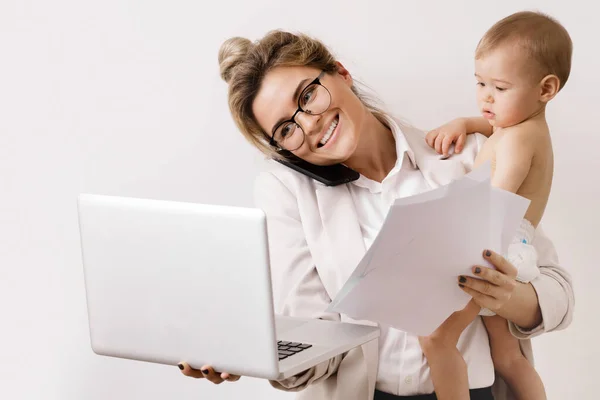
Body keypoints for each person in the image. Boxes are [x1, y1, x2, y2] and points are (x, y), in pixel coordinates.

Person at [178, 28, 574, 400]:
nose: (309, 123)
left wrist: (507, 296)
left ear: (340, 73)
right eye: (285, 129)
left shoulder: (465, 153)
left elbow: (559, 295)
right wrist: (249, 351)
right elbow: (314, 342)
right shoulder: (288, 193)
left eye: (307, 96)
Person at [420, 11, 573, 400]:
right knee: (508, 357)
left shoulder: (520, 140)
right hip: (513, 251)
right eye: (480, 82)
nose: (486, 96)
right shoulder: (521, 125)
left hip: (494, 245)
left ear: (546, 89)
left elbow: (490, 202)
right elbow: (493, 125)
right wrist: (465, 123)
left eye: (500, 88)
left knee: (437, 340)